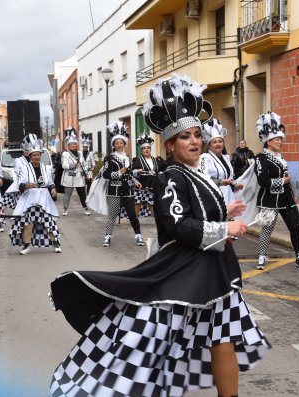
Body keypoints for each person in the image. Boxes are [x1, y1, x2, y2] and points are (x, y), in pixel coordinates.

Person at [50, 75, 269, 397]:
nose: (194, 141)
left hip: (215, 270)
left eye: (197, 135)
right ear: (170, 144)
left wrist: (226, 215)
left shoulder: (198, 174)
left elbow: (197, 217)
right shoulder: (169, 176)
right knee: (155, 341)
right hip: (185, 272)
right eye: (185, 137)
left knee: (223, 338)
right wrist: (224, 229)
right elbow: (177, 223)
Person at [254, 111, 299, 270]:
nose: (280, 141)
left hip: (286, 198)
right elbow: (262, 181)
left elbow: (287, 179)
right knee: (267, 229)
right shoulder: (261, 158)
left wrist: (292, 194)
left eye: (280, 139)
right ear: (268, 142)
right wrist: (282, 181)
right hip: (269, 199)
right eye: (277, 139)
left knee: (295, 227)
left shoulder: (281, 158)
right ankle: (262, 256)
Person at [9, 135, 61, 255]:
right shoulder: (24, 168)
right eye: (34, 155)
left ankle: (56, 243)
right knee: (28, 223)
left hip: (44, 199)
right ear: (30, 156)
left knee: (48, 221)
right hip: (30, 199)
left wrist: (53, 189)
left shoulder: (45, 168)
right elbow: (20, 183)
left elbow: (50, 183)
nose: (36, 157)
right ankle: (27, 245)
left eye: (38, 154)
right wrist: (26, 185)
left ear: (40, 155)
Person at [101, 121, 143, 247]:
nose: (119, 145)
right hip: (113, 190)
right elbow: (105, 175)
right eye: (116, 143)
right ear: (113, 144)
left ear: (124, 144)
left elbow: (129, 174)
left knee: (132, 215)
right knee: (112, 215)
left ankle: (138, 235)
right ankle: (108, 236)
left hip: (127, 190)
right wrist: (118, 173)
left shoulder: (128, 157)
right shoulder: (109, 158)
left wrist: (136, 182)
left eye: (121, 142)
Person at [200, 118, 244, 206]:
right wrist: (220, 182)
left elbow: (230, 178)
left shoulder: (226, 158)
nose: (218, 144)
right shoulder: (205, 158)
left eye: (220, 141)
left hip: (229, 196)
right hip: (214, 196)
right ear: (209, 145)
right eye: (214, 142)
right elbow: (203, 178)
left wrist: (235, 185)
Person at [61, 128, 90, 216]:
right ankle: (65, 209)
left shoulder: (80, 153)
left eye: (74, 144)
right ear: (68, 145)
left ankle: (86, 208)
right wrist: (73, 165)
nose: (73, 145)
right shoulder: (65, 154)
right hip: (69, 177)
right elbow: (64, 165)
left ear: (76, 145)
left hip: (79, 177)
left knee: (82, 194)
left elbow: (84, 164)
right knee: (67, 194)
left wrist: (86, 173)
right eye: (71, 144)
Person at [132, 131, 161, 217]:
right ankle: (134, 220)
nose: (147, 149)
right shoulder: (137, 160)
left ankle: (157, 221)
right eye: (144, 148)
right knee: (138, 203)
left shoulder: (155, 160)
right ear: (141, 150)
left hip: (151, 185)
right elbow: (131, 173)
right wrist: (137, 171)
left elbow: (158, 171)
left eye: (148, 148)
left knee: (152, 203)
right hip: (140, 185)